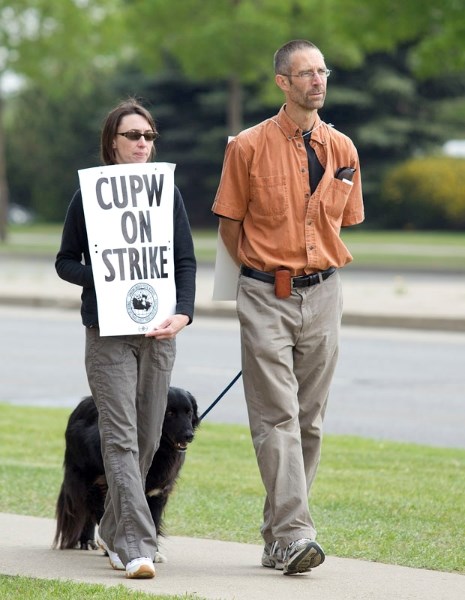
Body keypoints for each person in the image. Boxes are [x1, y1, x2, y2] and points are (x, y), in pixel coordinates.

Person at [212, 40, 364, 576]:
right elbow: (230, 222)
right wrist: (259, 274)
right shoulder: (248, 147)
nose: (317, 81)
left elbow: (346, 220)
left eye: (322, 71)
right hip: (264, 293)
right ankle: (297, 532)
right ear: (283, 81)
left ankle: (278, 537)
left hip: (325, 291)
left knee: (310, 420)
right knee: (276, 416)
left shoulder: (343, 148)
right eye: (305, 73)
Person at [56, 98, 196, 579]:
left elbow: (184, 262)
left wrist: (183, 314)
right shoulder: (88, 195)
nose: (143, 143)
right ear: (111, 144)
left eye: (149, 136)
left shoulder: (167, 194)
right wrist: (104, 277)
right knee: (120, 438)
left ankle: (114, 531)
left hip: (158, 335)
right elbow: (65, 261)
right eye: (133, 136)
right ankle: (138, 543)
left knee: (150, 437)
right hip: (108, 334)